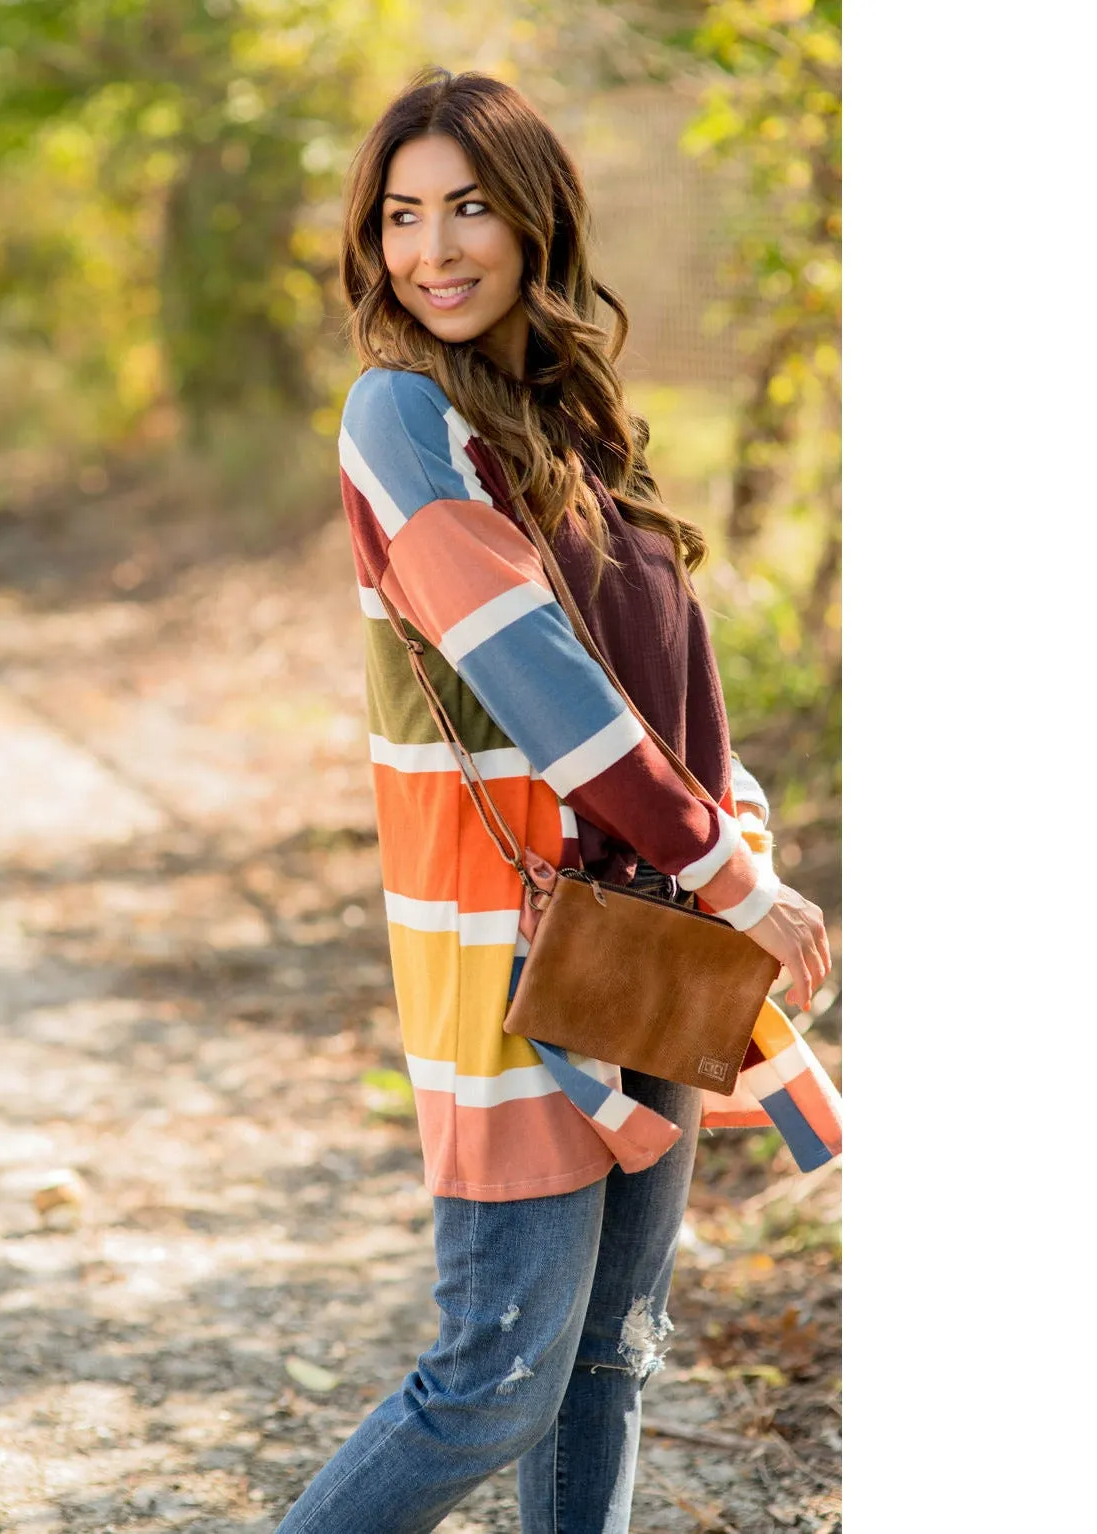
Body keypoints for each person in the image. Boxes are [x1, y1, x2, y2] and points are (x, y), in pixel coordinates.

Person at [274, 69, 838, 1533]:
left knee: (607, 1361)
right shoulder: (397, 416)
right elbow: (540, 687)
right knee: (495, 1380)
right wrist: (733, 876)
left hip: (643, 938)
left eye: (468, 206)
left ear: (536, 222)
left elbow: (658, 677)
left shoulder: (566, 418)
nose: (433, 248)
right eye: (400, 215)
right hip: (513, 947)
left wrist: (725, 829)